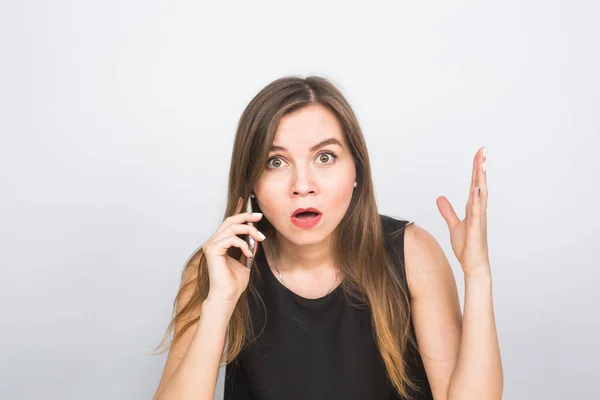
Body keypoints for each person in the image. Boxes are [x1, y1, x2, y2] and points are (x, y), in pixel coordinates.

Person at [152, 76, 503, 400]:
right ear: (250, 181)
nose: (302, 186)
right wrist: (219, 304)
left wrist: (477, 272)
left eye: (325, 157)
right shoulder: (216, 267)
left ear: (356, 171)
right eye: (275, 162)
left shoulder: (413, 253)